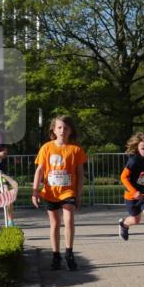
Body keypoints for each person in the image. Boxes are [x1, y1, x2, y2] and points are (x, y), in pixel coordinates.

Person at [31, 115, 87, 271]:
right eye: (59, 127)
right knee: (55, 224)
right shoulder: (46, 148)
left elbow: (80, 174)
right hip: (50, 192)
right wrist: (35, 191)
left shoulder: (76, 150)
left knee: (69, 221)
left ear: (71, 131)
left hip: (68, 192)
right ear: (54, 130)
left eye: (66, 128)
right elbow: (39, 171)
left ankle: (69, 253)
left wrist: (78, 194)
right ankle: (56, 255)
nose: (62, 130)